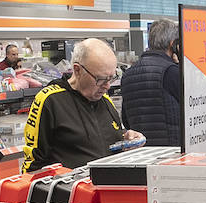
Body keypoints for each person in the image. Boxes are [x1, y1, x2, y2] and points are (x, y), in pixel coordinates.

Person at [22, 38, 143, 172]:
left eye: (111, 78)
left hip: (105, 187)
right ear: (78, 70)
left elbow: (107, 140)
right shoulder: (49, 101)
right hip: (71, 190)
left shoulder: (106, 101)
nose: (107, 86)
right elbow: (32, 165)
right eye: (100, 79)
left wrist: (126, 138)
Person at [119, 17, 181, 146]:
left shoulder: (128, 74)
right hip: (171, 150)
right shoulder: (172, 71)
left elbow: (126, 119)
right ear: (172, 44)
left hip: (142, 150)